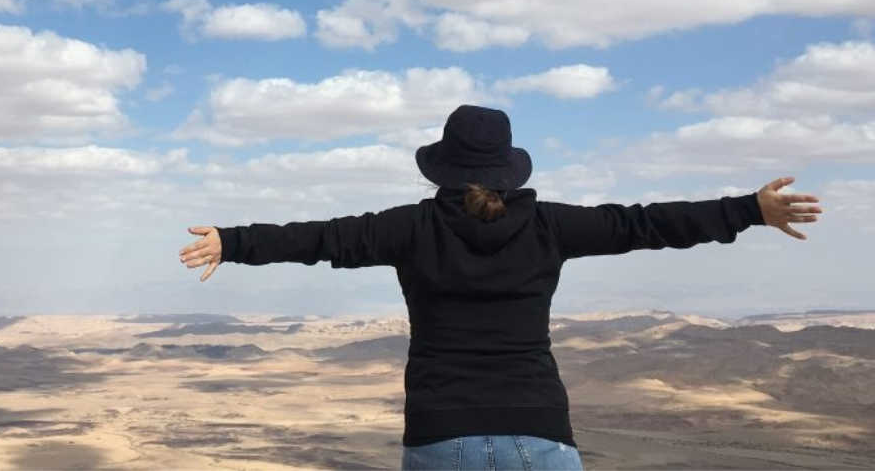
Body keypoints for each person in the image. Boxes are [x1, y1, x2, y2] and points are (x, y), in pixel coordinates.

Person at [177, 104, 822, 471]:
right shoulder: (550, 226)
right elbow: (643, 224)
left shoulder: (408, 228)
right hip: (540, 431)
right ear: (508, 169)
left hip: (439, 433)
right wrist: (746, 209)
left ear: (442, 166)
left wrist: (233, 241)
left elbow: (322, 238)